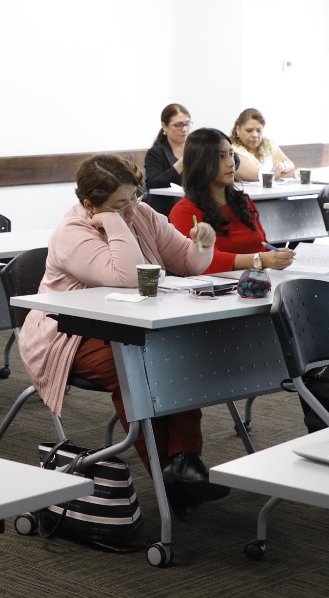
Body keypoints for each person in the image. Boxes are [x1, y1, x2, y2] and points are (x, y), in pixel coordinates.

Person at [19, 154, 229, 511]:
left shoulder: (143, 214)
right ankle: (167, 477)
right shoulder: (73, 232)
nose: (132, 210)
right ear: (90, 205)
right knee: (135, 370)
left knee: (176, 357)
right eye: (120, 204)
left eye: (135, 198)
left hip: (130, 325)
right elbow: (126, 276)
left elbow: (187, 264)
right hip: (68, 335)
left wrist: (202, 242)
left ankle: (183, 460)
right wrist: (114, 224)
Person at [169, 129, 294, 275]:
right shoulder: (184, 211)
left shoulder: (243, 201)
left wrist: (278, 257)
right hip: (216, 291)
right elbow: (203, 262)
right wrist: (261, 259)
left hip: (255, 284)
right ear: (201, 163)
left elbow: (262, 246)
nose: (230, 163)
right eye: (220, 157)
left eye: (231, 154)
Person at [143, 103, 192, 216]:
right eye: (178, 125)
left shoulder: (196, 148)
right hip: (165, 211)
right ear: (165, 126)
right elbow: (153, 184)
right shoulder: (156, 153)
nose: (184, 129)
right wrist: (181, 163)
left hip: (193, 204)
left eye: (187, 124)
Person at [232, 108, 296, 180]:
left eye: (259, 130)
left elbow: (292, 168)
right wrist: (286, 173)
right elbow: (259, 177)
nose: (255, 135)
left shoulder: (267, 144)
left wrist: (283, 166)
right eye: (249, 130)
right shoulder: (232, 151)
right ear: (238, 130)